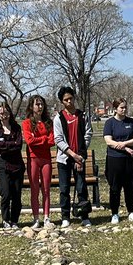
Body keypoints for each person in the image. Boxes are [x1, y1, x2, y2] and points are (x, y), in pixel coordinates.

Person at [53, 86, 92, 228]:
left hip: (79, 158)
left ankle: (84, 215)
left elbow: (88, 134)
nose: (69, 102)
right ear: (62, 102)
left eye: (71, 98)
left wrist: (80, 156)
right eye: (66, 100)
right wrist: (72, 154)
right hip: (64, 159)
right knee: (64, 189)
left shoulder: (82, 115)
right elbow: (58, 139)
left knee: (81, 187)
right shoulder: (58, 118)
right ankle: (65, 216)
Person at [102, 99, 133, 224]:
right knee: (115, 187)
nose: (124, 110)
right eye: (121, 108)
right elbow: (108, 141)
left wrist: (124, 143)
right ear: (115, 109)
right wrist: (125, 148)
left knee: (130, 187)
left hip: (129, 160)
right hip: (114, 159)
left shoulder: (131, 122)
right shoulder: (110, 123)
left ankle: (131, 212)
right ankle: (114, 213)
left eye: (125, 107)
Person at [0, 101, 25, 229]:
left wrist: (6, 146)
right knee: (5, 194)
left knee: (16, 195)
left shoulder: (16, 127)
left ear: (9, 113)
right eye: (1, 113)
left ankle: (14, 220)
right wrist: (11, 144)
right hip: (2, 166)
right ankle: (5, 220)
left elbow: (19, 145)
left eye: (5, 113)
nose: (3, 116)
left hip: (17, 165)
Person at [23, 94, 54, 230]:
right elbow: (29, 141)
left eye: (41, 104)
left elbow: (52, 141)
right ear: (31, 106)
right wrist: (44, 140)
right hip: (33, 159)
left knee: (46, 189)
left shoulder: (49, 123)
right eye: (37, 104)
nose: (40, 107)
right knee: (34, 189)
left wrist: (39, 140)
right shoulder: (27, 123)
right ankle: (36, 218)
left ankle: (47, 217)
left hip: (46, 159)